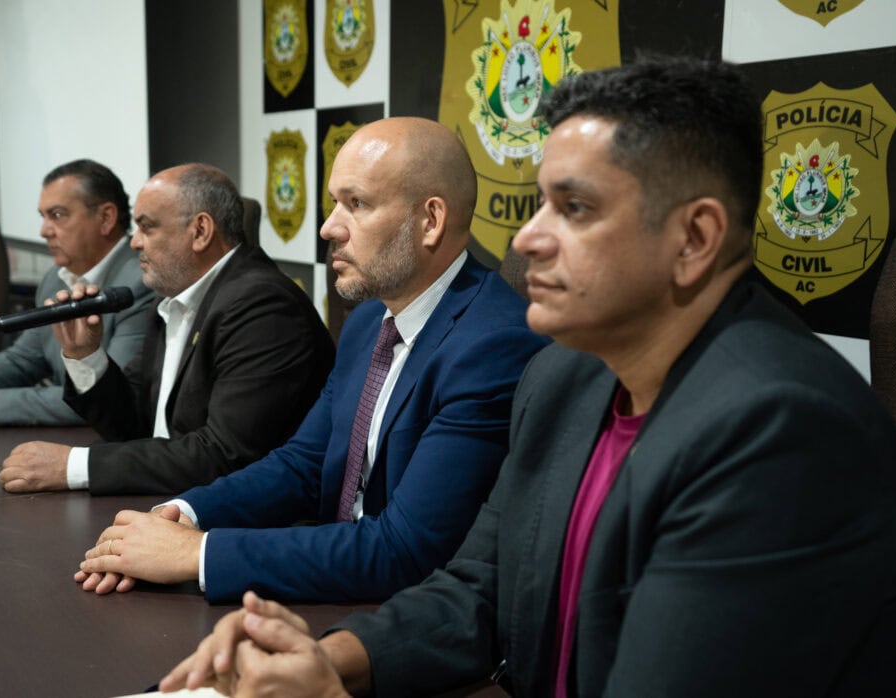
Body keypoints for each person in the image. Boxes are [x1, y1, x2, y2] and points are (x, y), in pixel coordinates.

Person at [160, 57, 896, 697]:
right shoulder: (562, 379)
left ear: (695, 238)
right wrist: (326, 659)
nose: (527, 239)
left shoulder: (780, 432)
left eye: (574, 208)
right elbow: (479, 589)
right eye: (536, 205)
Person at [73, 117, 549, 602]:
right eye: (333, 204)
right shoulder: (368, 321)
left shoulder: (492, 347)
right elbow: (305, 463)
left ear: (430, 221)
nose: (328, 227)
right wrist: (180, 515)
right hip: (329, 575)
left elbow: (406, 552)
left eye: (356, 204)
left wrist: (197, 554)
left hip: (400, 613)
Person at [0, 163, 335, 495]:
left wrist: (74, 466)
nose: (134, 242)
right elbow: (132, 426)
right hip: (171, 496)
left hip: (244, 523)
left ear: (200, 231)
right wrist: (85, 355)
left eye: (147, 227)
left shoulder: (263, 307)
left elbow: (225, 455)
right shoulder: (175, 297)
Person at [0, 159, 152, 426]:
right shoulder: (55, 278)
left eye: (58, 215)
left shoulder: (141, 284)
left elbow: (111, 398)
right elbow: (25, 358)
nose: (44, 231)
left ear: (106, 218)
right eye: (43, 217)